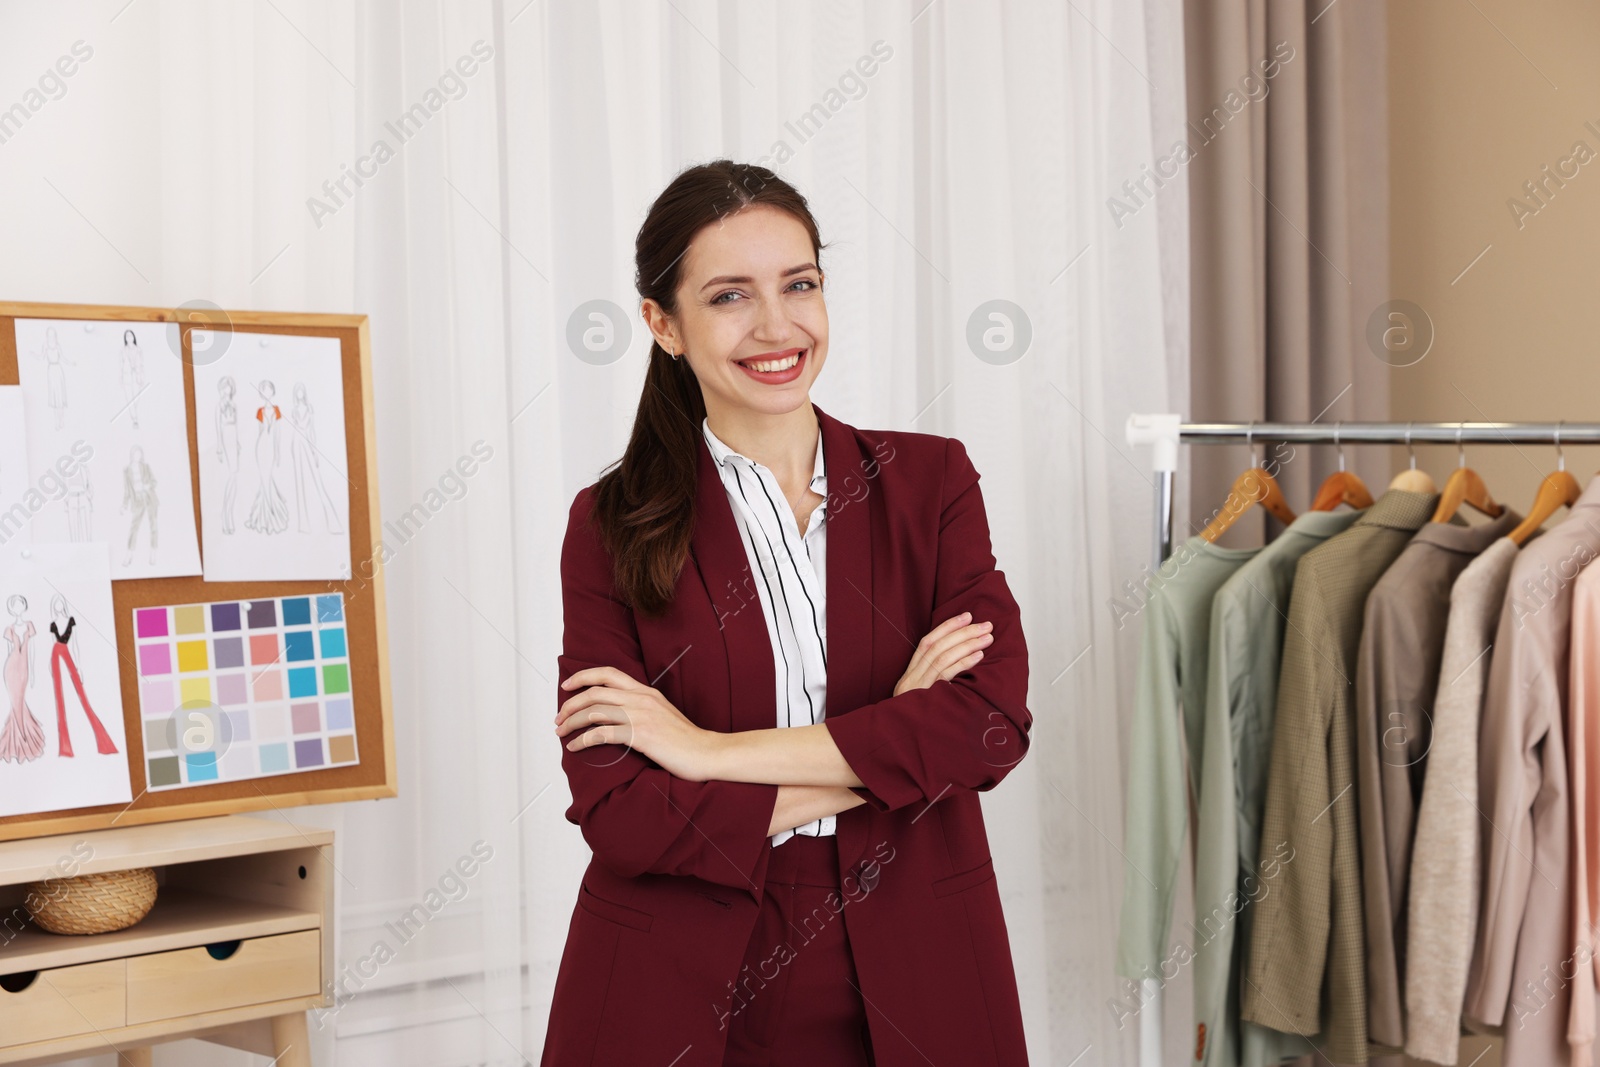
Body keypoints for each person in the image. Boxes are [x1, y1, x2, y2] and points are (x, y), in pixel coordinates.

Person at [541, 160, 1032, 1066]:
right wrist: (896, 745)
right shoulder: (609, 524)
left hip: (920, 955)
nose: (777, 326)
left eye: (798, 284)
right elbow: (621, 810)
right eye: (730, 295)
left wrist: (702, 752)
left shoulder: (932, 483)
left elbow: (989, 729)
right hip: (674, 975)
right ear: (664, 324)